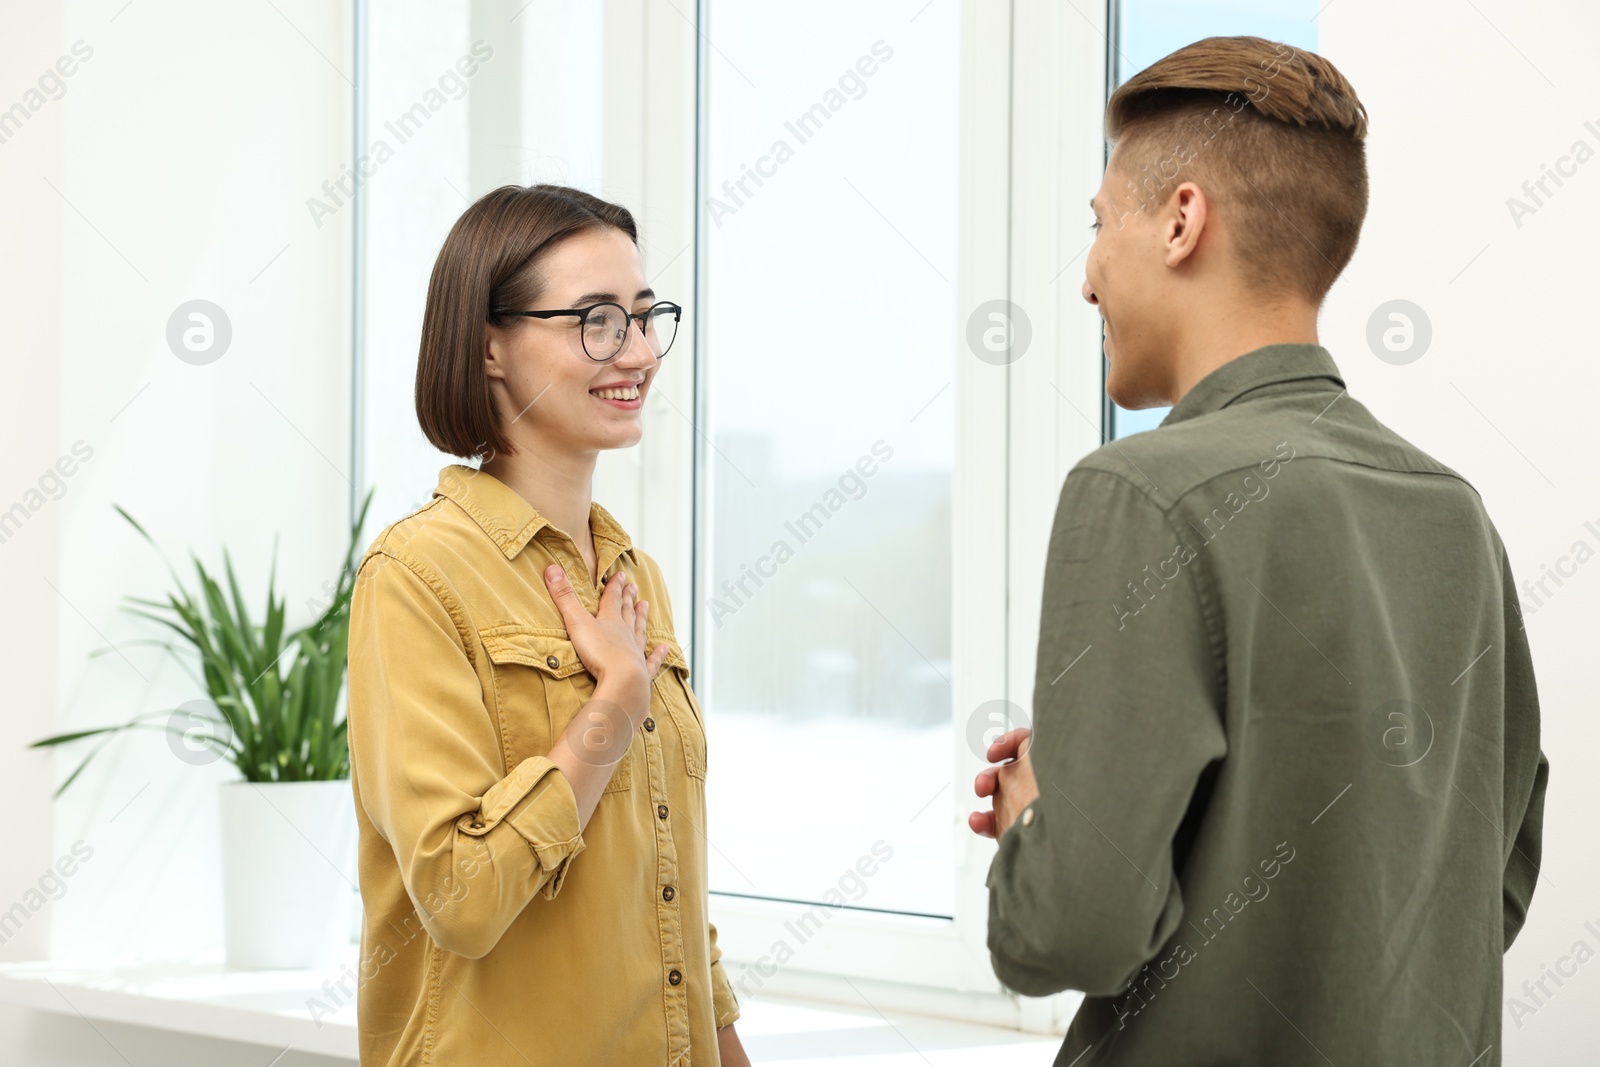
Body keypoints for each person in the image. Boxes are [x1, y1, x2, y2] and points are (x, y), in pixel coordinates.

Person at [969, 36, 1548, 1065]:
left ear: (1181, 219)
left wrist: (1034, 826)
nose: (1089, 276)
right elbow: (1487, 884)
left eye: (1098, 225)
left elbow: (1067, 930)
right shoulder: (1451, 510)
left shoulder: (1137, 491)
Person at [346, 184, 750, 1066]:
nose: (638, 350)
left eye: (646, 317)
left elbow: (668, 882)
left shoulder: (633, 578)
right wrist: (612, 704)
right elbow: (459, 897)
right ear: (490, 344)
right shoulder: (413, 577)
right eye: (597, 320)